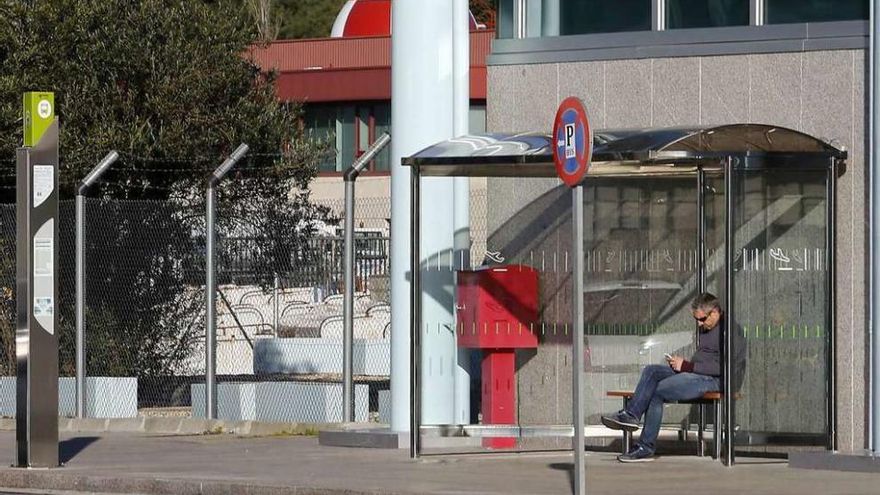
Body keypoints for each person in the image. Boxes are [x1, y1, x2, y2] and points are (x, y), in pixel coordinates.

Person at [600, 292, 746, 463]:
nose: (699, 323)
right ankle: (631, 415)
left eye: (702, 319)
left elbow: (727, 367)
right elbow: (704, 357)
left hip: (714, 380)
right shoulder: (708, 326)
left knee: (657, 391)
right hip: (697, 373)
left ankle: (645, 447)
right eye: (696, 319)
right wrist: (680, 364)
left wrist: (687, 366)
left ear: (714, 312)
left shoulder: (729, 331)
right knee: (651, 371)